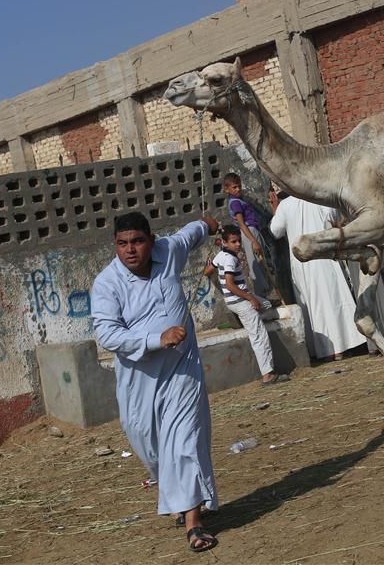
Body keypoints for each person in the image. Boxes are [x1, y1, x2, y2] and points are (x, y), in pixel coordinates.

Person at [91, 212, 219, 553]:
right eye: (122, 244)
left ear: (151, 239)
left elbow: (190, 233)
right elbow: (107, 333)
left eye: (137, 241)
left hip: (182, 371)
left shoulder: (169, 250)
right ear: (115, 246)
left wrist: (208, 225)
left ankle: (194, 523)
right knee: (148, 442)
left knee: (184, 440)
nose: (130, 250)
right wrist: (155, 339)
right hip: (139, 380)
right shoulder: (107, 284)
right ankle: (178, 495)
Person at [268, 193, 366, 361]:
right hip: (324, 255)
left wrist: (276, 210)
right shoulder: (317, 197)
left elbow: (275, 231)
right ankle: (345, 344)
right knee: (333, 301)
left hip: (303, 261)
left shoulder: (286, 205)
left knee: (316, 306)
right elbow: (334, 216)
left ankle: (327, 350)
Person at [205, 225, 289, 384]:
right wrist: (250, 299)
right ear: (224, 243)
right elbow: (230, 285)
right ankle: (268, 375)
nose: (237, 244)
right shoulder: (229, 259)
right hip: (240, 300)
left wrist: (210, 268)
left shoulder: (220, 255)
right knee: (259, 335)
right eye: (233, 242)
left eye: (238, 241)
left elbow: (208, 271)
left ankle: (243, 317)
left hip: (235, 300)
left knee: (266, 304)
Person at [222, 173, 273, 298]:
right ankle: (261, 295)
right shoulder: (235, 203)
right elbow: (241, 224)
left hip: (253, 231)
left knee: (262, 262)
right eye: (234, 187)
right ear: (226, 189)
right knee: (255, 263)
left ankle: (266, 292)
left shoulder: (240, 200)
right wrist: (253, 241)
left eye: (239, 186)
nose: (238, 189)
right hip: (249, 232)